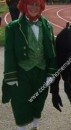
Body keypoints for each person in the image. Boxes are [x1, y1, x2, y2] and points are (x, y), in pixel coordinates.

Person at [2, 0, 57, 130]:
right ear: (24, 6)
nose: (34, 7)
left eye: (37, 5)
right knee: (20, 101)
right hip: (22, 72)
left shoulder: (48, 26)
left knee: (39, 99)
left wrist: (51, 73)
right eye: (30, 4)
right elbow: (9, 52)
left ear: (41, 7)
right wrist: (11, 75)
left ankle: (35, 125)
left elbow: (52, 51)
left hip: (41, 71)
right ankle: (22, 128)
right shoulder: (13, 27)